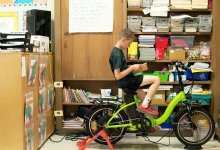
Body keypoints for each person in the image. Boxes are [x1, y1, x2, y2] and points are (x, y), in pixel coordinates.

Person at [109, 28, 160, 117]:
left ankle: (144, 124)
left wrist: (133, 69)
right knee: (157, 79)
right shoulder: (117, 54)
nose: (129, 46)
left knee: (147, 101)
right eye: (129, 43)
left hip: (128, 80)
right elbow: (117, 76)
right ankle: (144, 106)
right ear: (123, 40)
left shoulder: (118, 51)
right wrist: (131, 67)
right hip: (127, 81)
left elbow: (122, 69)